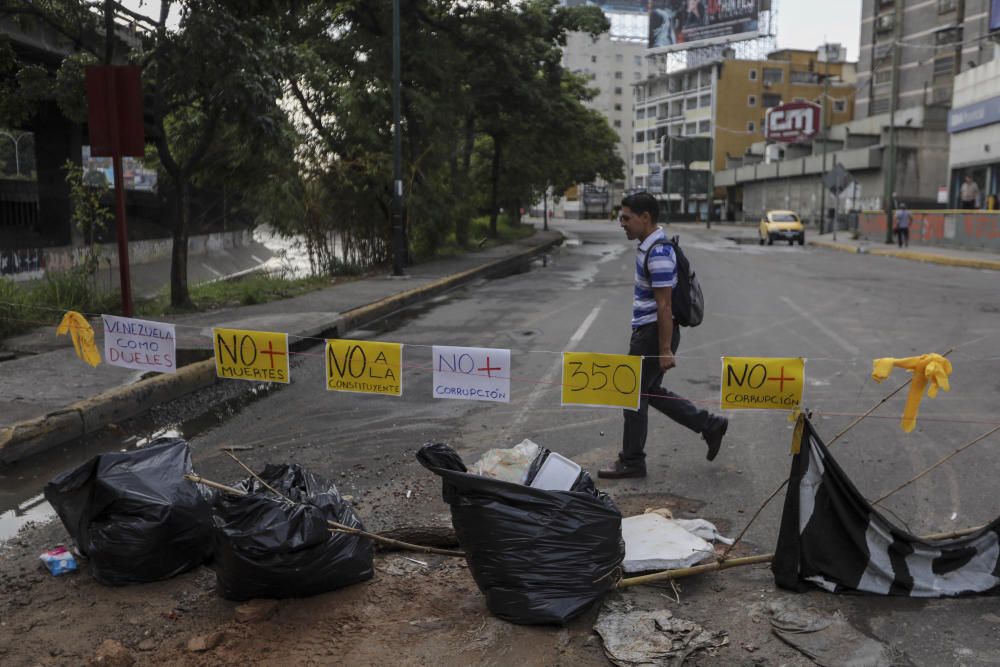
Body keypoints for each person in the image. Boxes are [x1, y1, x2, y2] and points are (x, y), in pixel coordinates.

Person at [599, 192, 728, 479]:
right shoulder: (649, 246)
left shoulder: (658, 252)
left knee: (632, 395)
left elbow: (665, 305)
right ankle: (709, 425)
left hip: (653, 335)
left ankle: (632, 460)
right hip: (649, 333)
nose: (622, 223)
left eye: (626, 217)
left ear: (645, 218)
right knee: (650, 392)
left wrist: (665, 348)